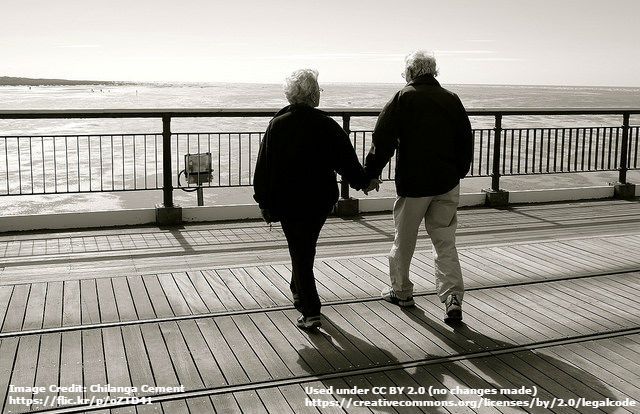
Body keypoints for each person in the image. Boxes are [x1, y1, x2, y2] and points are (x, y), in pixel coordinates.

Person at [253, 69, 375, 329]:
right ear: (312, 95)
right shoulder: (326, 124)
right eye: (318, 90)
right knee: (304, 248)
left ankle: (310, 311)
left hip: (288, 201)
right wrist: (365, 181)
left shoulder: (278, 124)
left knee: (301, 251)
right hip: (319, 200)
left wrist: (263, 202)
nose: (320, 94)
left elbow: (264, 168)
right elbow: (347, 162)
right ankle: (298, 292)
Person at [364, 51, 473, 322]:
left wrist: (372, 173)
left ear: (410, 72)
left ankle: (401, 291)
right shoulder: (451, 99)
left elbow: (383, 138)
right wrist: (459, 171)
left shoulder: (403, 98)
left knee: (404, 240)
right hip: (446, 183)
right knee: (444, 241)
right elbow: (465, 140)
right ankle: (452, 298)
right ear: (433, 72)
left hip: (414, 185)